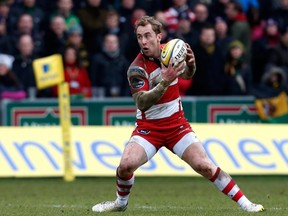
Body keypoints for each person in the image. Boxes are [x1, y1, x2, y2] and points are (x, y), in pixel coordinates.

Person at [91, 16, 265, 213]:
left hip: (176, 126)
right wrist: (164, 81)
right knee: (125, 166)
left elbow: (187, 75)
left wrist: (191, 65)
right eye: (139, 37)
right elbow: (142, 102)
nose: (143, 41)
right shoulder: (136, 68)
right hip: (149, 129)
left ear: (159, 36)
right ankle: (120, 203)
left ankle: (247, 204)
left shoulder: (172, 52)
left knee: (205, 166)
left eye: (148, 36)